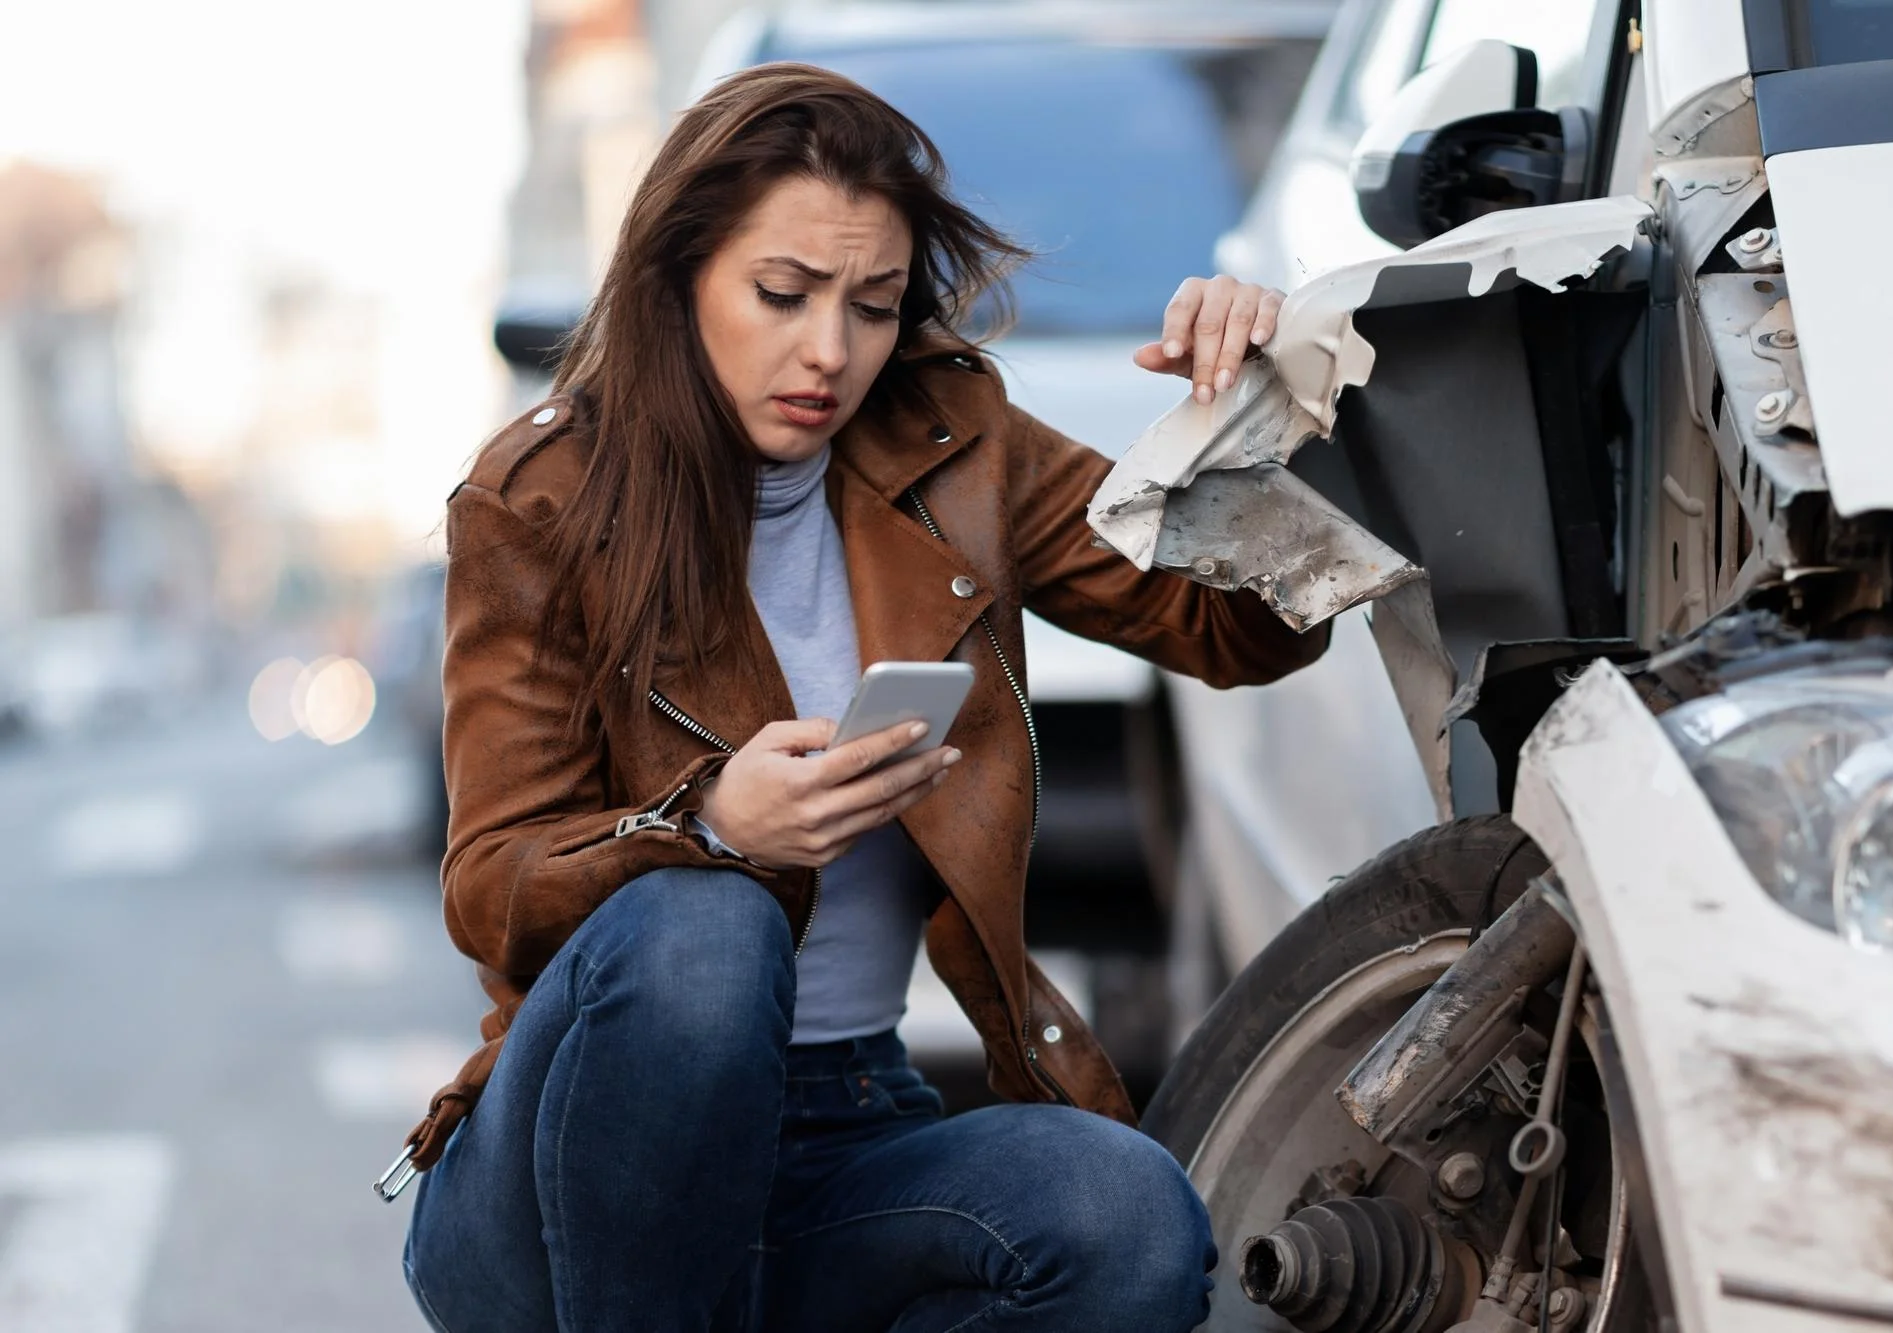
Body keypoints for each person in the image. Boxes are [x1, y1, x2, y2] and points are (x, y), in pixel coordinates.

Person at [396, 63, 1328, 1332]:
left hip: (844, 1130)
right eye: (781, 294)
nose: (828, 351)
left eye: (874, 306)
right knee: (705, 932)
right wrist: (717, 825)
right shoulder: (542, 495)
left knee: (1123, 1220)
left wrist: (1257, 414)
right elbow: (489, 882)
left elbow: (1235, 630)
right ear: (678, 282)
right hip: (566, 1179)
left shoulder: (951, 443)